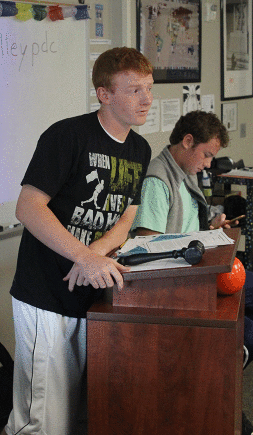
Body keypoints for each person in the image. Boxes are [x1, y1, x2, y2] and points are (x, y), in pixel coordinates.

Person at [3, 47, 154, 435]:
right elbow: (29, 207)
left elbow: (127, 216)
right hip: (46, 295)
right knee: (42, 416)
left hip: (91, 292)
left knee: (77, 413)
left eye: (149, 89)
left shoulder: (140, 148)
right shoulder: (67, 135)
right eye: (134, 90)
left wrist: (94, 256)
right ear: (105, 94)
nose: (146, 99)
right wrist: (85, 257)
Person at [132, 110, 253, 435]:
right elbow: (148, 243)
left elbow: (187, 223)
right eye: (206, 154)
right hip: (183, 286)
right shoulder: (158, 180)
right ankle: (217, 377)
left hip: (207, 271)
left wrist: (211, 225)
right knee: (250, 336)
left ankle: (215, 357)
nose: (208, 163)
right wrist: (198, 241)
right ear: (187, 141)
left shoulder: (186, 170)